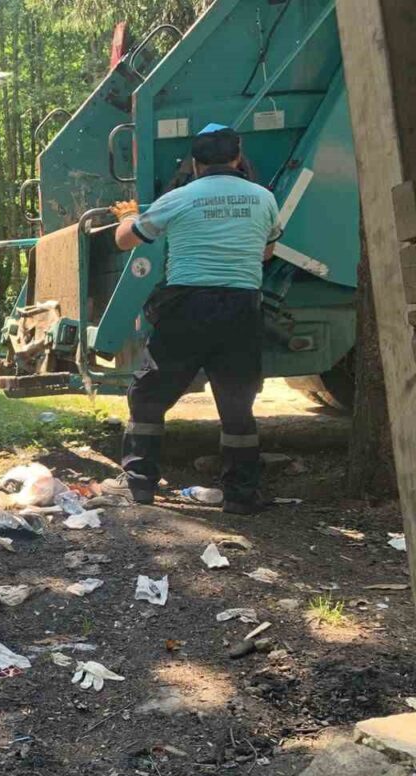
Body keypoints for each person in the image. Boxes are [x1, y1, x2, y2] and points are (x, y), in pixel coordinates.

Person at [100, 125, 281, 513]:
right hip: (242, 310)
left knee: (149, 396)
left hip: (186, 308)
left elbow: (125, 239)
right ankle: (241, 495)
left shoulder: (178, 198)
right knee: (237, 405)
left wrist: (130, 216)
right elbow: (267, 252)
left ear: (195, 164)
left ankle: (139, 483)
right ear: (238, 158)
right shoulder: (264, 198)